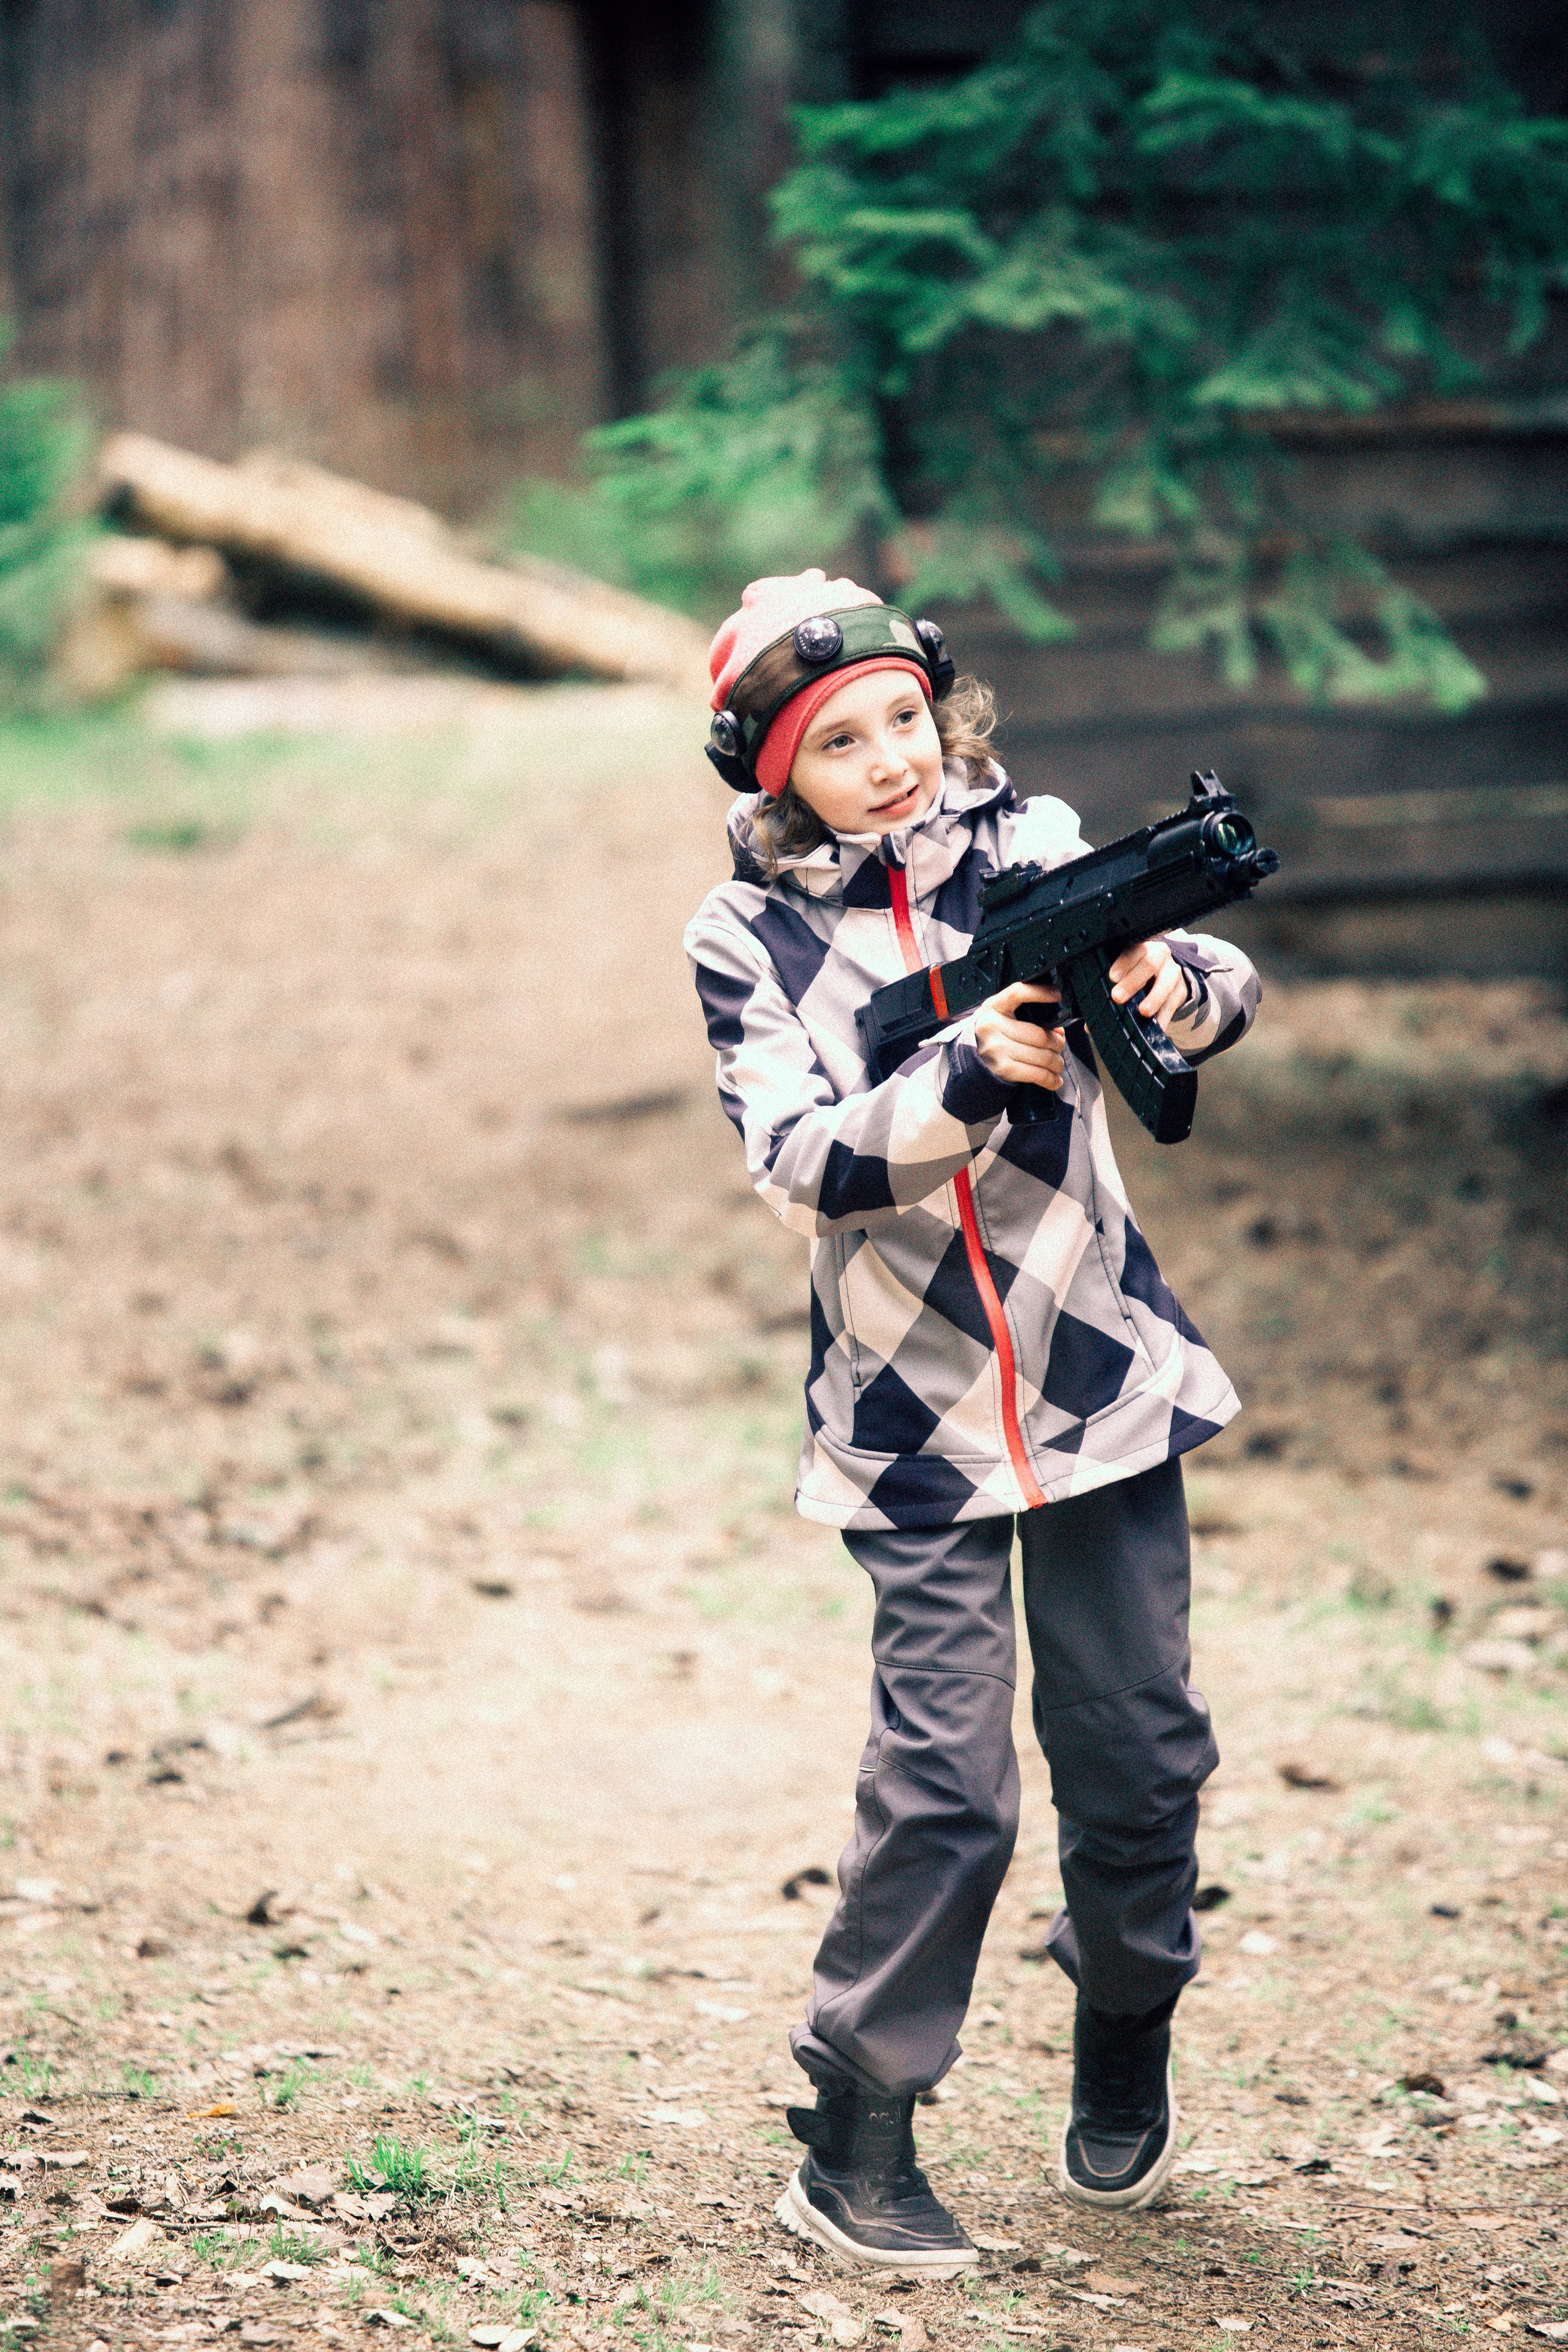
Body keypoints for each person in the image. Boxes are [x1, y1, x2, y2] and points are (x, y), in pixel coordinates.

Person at [684, 571, 1261, 2275]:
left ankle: (1126, 2022)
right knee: (945, 1784)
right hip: (909, 1415)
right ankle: (858, 2131)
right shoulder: (749, 937)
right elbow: (797, 1159)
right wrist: (958, 1073)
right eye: (838, 742)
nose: (889, 761)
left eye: (905, 721)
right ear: (779, 774)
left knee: (1142, 1758)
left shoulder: (1037, 849)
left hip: (1097, 1381)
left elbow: (1223, 982)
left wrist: (1161, 983)